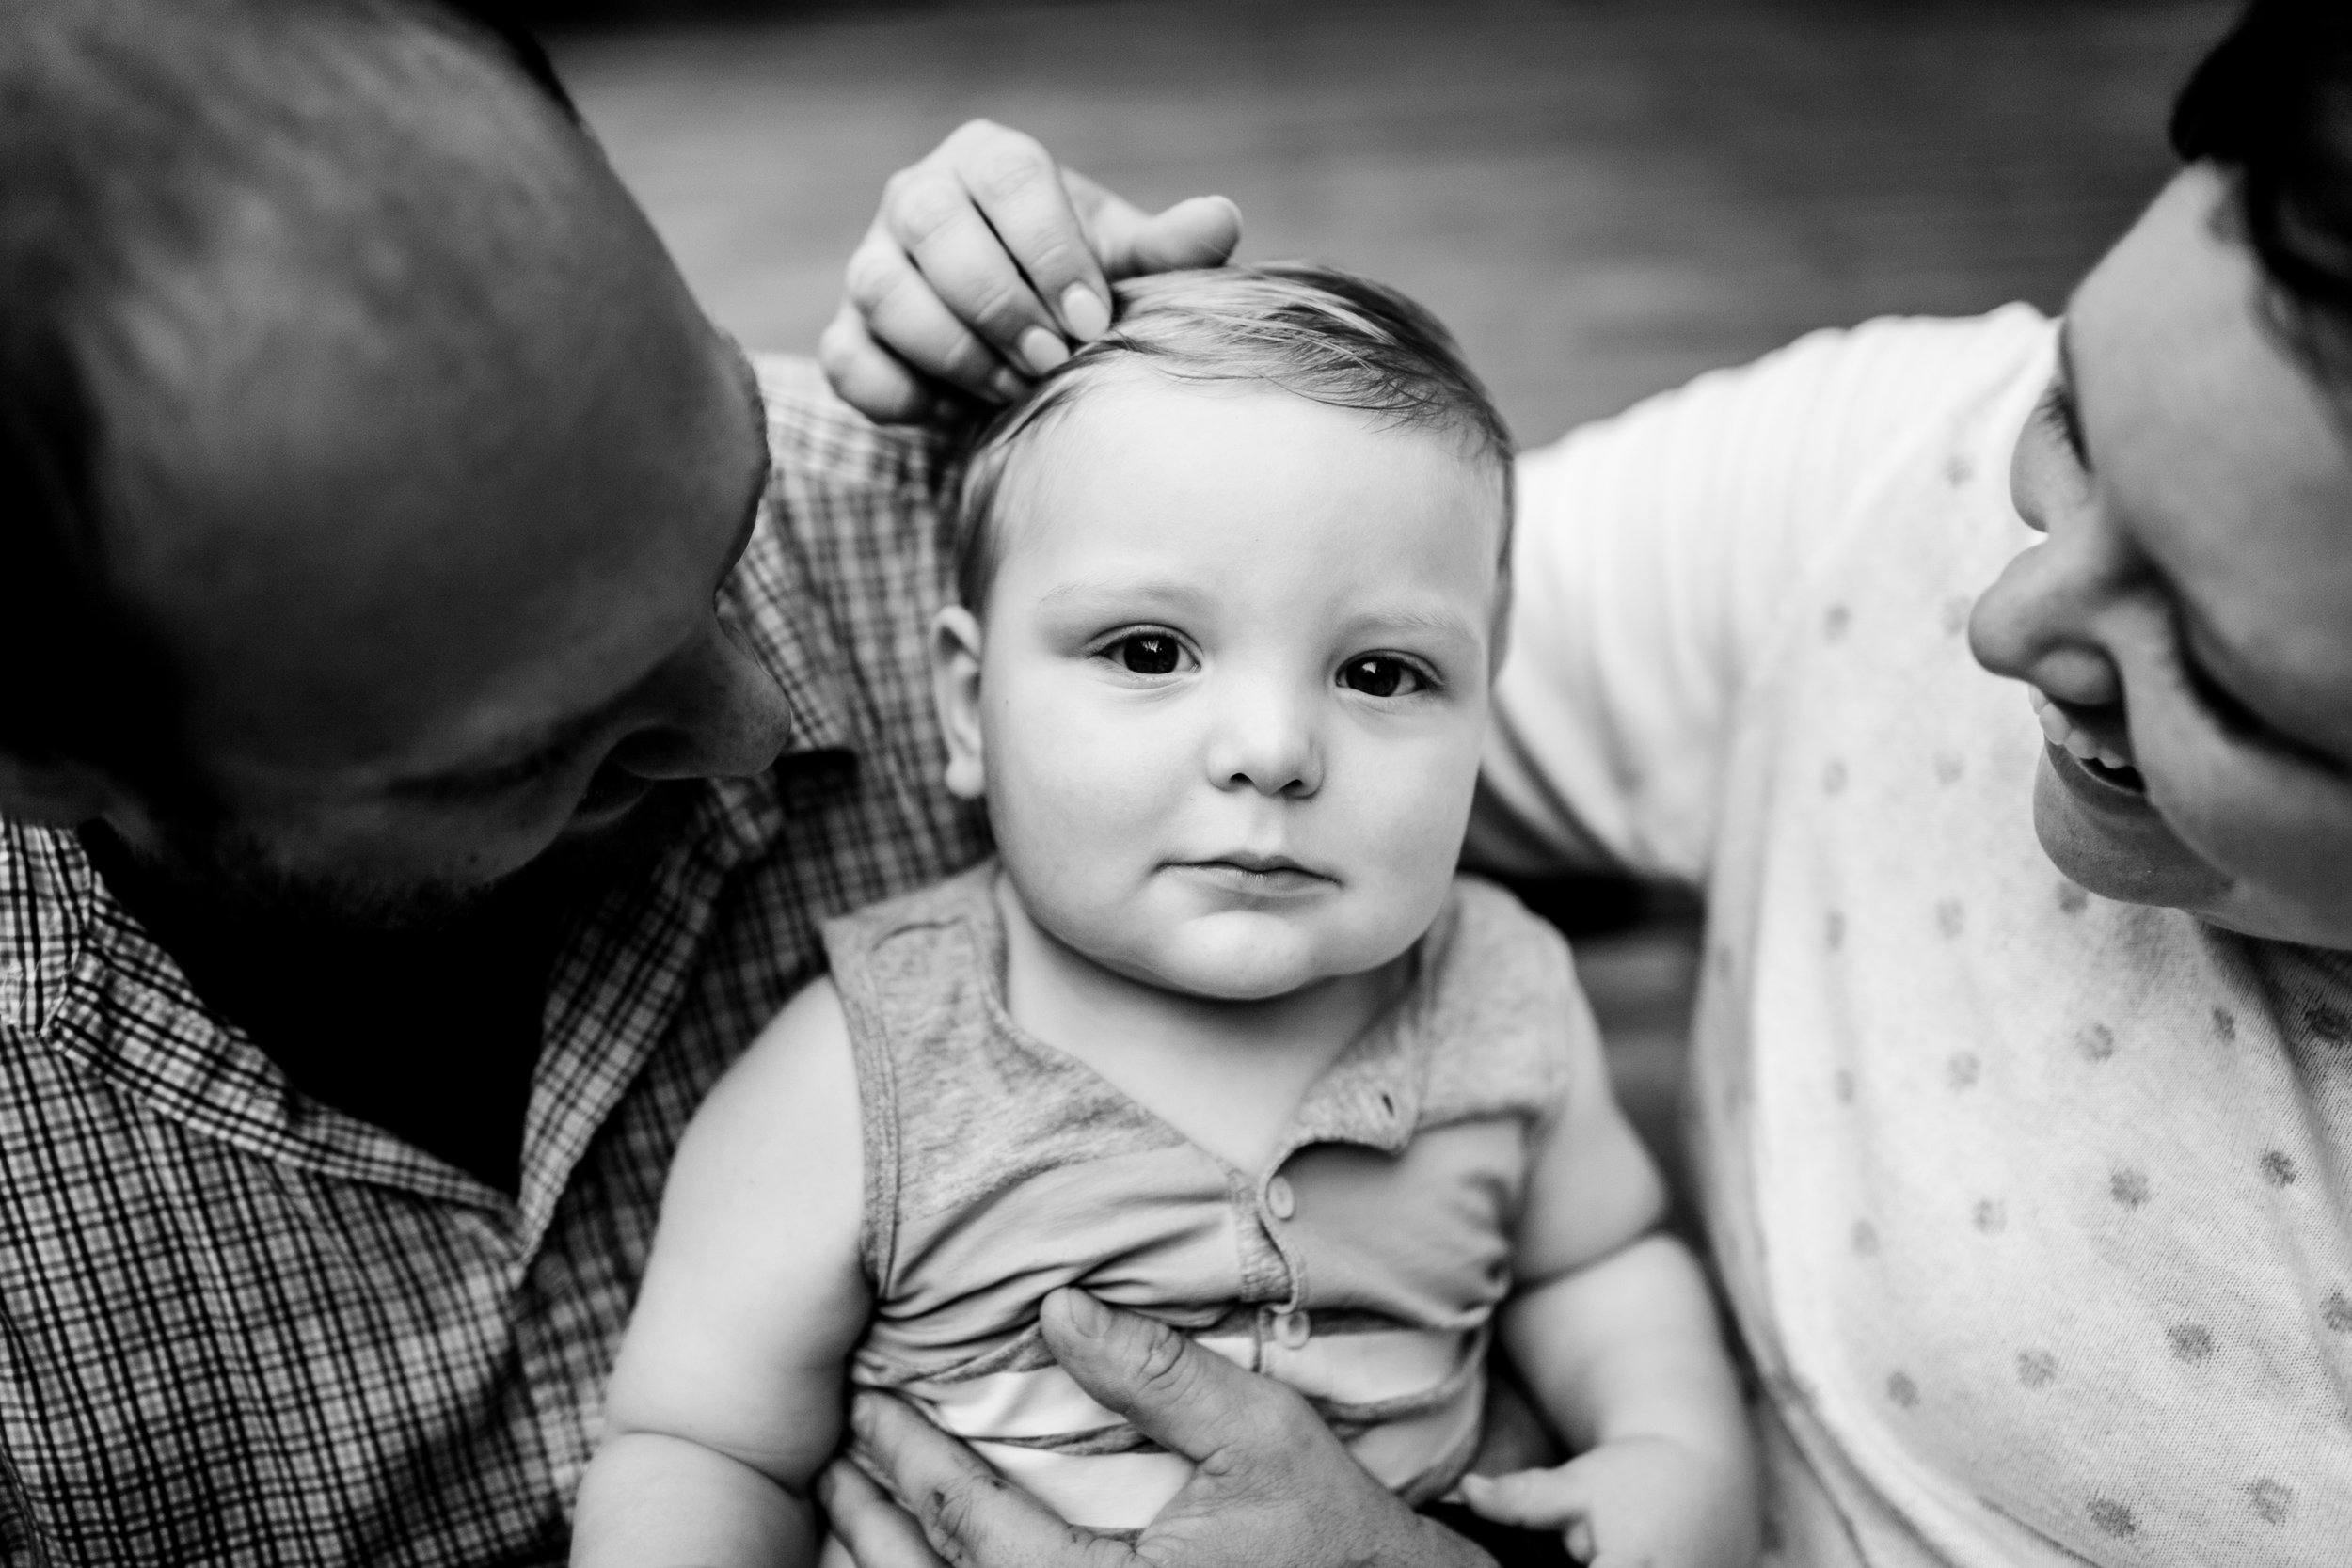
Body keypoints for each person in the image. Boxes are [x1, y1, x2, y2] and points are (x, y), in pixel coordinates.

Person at [822, 2, 2352, 1565]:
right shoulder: (1867, 485)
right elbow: (1305, 580)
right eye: (2072, 427)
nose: (1999, 619)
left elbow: (1604, 1264)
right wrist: (1077, 395)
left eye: (2220, 661)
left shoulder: (1500, 1009)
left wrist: (1651, 1484)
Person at [0, 1, 1258, 1561]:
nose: (755, 723)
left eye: (735, 524)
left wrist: (1231, 490)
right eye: (534, 748)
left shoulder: (983, 551)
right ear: (47, 760)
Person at [569, 265, 1757, 1568]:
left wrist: (1672, 1457)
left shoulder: (1501, 995)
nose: (1273, 749)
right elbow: (700, 1446)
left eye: (1382, 672)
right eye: (1149, 652)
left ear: (1487, 687)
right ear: (969, 706)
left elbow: (1602, 1266)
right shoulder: (867, 1068)